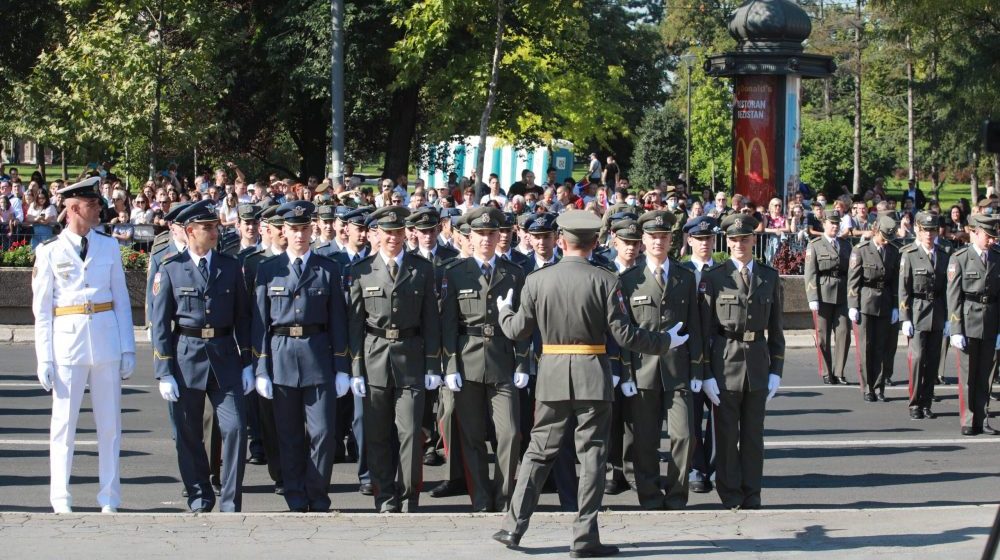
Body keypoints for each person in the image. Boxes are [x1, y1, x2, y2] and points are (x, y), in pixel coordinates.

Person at [491, 210, 686, 557]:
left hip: (551, 375)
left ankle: (512, 527)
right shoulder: (605, 280)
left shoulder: (538, 280)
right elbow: (625, 336)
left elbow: (516, 330)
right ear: (595, 243)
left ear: (562, 242)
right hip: (592, 375)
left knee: (538, 453)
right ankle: (584, 537)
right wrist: (665, 341)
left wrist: (504, 311)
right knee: (592, 455)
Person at [32, 176, 135, 514]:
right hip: (68, 344)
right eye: (91, 205)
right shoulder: (49, 251)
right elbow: (43, 312)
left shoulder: (108, 246)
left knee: (110, 426)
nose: (98, 209)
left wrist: (128, 348)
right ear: (73, 208)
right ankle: (60, 497)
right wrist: (43, 358)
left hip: (105, 340)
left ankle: (110, 497)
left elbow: (121, 299)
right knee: (63, 426)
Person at [150, 200, 252, 513]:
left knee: (235, 428)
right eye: (207, 227)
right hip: (186, 359)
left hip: (224, 357)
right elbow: (160, 324)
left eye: (215, 226)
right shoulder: (170, 268)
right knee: (187, 433)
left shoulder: (230, 266)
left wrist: (248, 362)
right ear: (190, 231)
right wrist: (163, 369)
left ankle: (231, 501)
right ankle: (199, 494)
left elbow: (243, 318)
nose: (214, 232)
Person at [251, 200, 351, 512]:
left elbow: (338, 322)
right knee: (289, 435)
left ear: (312, 230)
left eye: (304, 229)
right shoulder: (268, 270)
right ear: (284, 231)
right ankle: (295, 494)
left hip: (318, 356)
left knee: (322, 434)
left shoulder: (328, 269)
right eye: (293, 229)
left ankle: (317, 493)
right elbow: (260, 324)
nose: (298, 235)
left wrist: (342, 367)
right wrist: (260, 368)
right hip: (281, 358)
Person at [348, 206, 442, 513]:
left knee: (411, 433)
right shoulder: (361, 270)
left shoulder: (421, 269)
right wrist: (356, 369)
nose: (393, 238)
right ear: (377, 234)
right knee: (376, 434)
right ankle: (384, 495)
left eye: (398, 232)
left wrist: (432, 364)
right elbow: (355, 324)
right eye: (387, 233)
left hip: (411, 357)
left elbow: (431, 320)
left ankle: (408, 496)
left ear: (406, 233)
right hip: (375, 356)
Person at [440, 206, 528, 512]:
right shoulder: (454, 273)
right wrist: (450, 365)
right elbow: (449, 324)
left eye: (492, 233)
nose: (487, 239)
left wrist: (523, 362)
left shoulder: (515, 274)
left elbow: (525, 325)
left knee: (510, 432)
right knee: (472, 436)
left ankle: (504, 496)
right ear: (470, 237)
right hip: (468, 359)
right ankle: (480, 497)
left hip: (503, 358)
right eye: (480, 234)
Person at [618, 210, 703, 511]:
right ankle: (650, 497)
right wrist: (626, 374)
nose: (658, 241)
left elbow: (695, 326)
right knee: (645, 440)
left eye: (664, 236)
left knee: (684, 436)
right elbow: (623, 332)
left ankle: (677, 495)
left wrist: (698, 369)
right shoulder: (629, 280)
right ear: (643, 240)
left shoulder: (685, 277)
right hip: (643, 370)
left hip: (678, 369)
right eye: (653, 236)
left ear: (671, 240)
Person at [700, 213, 784, 511]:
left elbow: (776, 329)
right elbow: (705, 330)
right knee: (725, 436)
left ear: (753, 241)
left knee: (753, 436)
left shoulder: (769, 276)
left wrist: (777, 369)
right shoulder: (714, 278)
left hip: (758, 363)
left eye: (744, 239)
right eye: (733, 240)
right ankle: (730, 493)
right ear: (727, 241)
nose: (739, 244)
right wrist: (706, 372)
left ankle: (753, 493)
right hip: (725, 362)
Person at [945, 214, 1000, 435]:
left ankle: (983, 417)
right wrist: (956, 329)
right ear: (974, 233)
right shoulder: (960, 258)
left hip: (991, 320)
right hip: (968, 321)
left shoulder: (997, 257)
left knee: (986, 374)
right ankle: (969, 419)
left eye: (993, 236)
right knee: (968, 375)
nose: (991, 240)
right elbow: (953, 296)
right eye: (987, 236)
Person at [899, 212, 950, 420]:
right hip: (918, 310)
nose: (929, 234)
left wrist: (949, 318)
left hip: (937, 310)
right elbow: (904, 288)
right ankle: (915, 403)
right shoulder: (909, 253)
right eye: (925, 230)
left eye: (932, 230)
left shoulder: (944, 253)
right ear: (918, 231)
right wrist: (905, 317)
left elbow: (949, 288)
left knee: (933, 360)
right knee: (918, 359)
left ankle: (927, 402)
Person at [682, 216, 720, 494]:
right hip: (689, 354)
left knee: (719, 415)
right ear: (690, 240)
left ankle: (715, 467)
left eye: (709, 239)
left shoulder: (722, 271)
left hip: (720, 352)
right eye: (700, 239)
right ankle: (697, 468)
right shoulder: (680, 273)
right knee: (692, 416)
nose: (705, 243)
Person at [847, 215, 901, 402]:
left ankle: (879, 386)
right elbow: (853, 280)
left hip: (885, 302)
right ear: (876, 231)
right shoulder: (860, 250)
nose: (886, 241)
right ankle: (867, 387)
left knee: (882, 347)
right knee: (865, 347)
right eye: (884, 237)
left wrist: (896, 306)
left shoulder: (894, 251)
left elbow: (895, 281)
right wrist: (853, 305)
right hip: (865, 302)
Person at [804, 211, 853, 385]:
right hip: (823, 294)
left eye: (837, 223)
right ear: (824, 224)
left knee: (844, 333)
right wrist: (812, 296)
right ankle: (826, 371)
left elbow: (852, 272)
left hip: (842, 294)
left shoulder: (846, 245)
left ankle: (839, 371)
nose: (834, 226)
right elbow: (810, 273)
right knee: (823, 336)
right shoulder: (815, 244)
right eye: (831, 223)